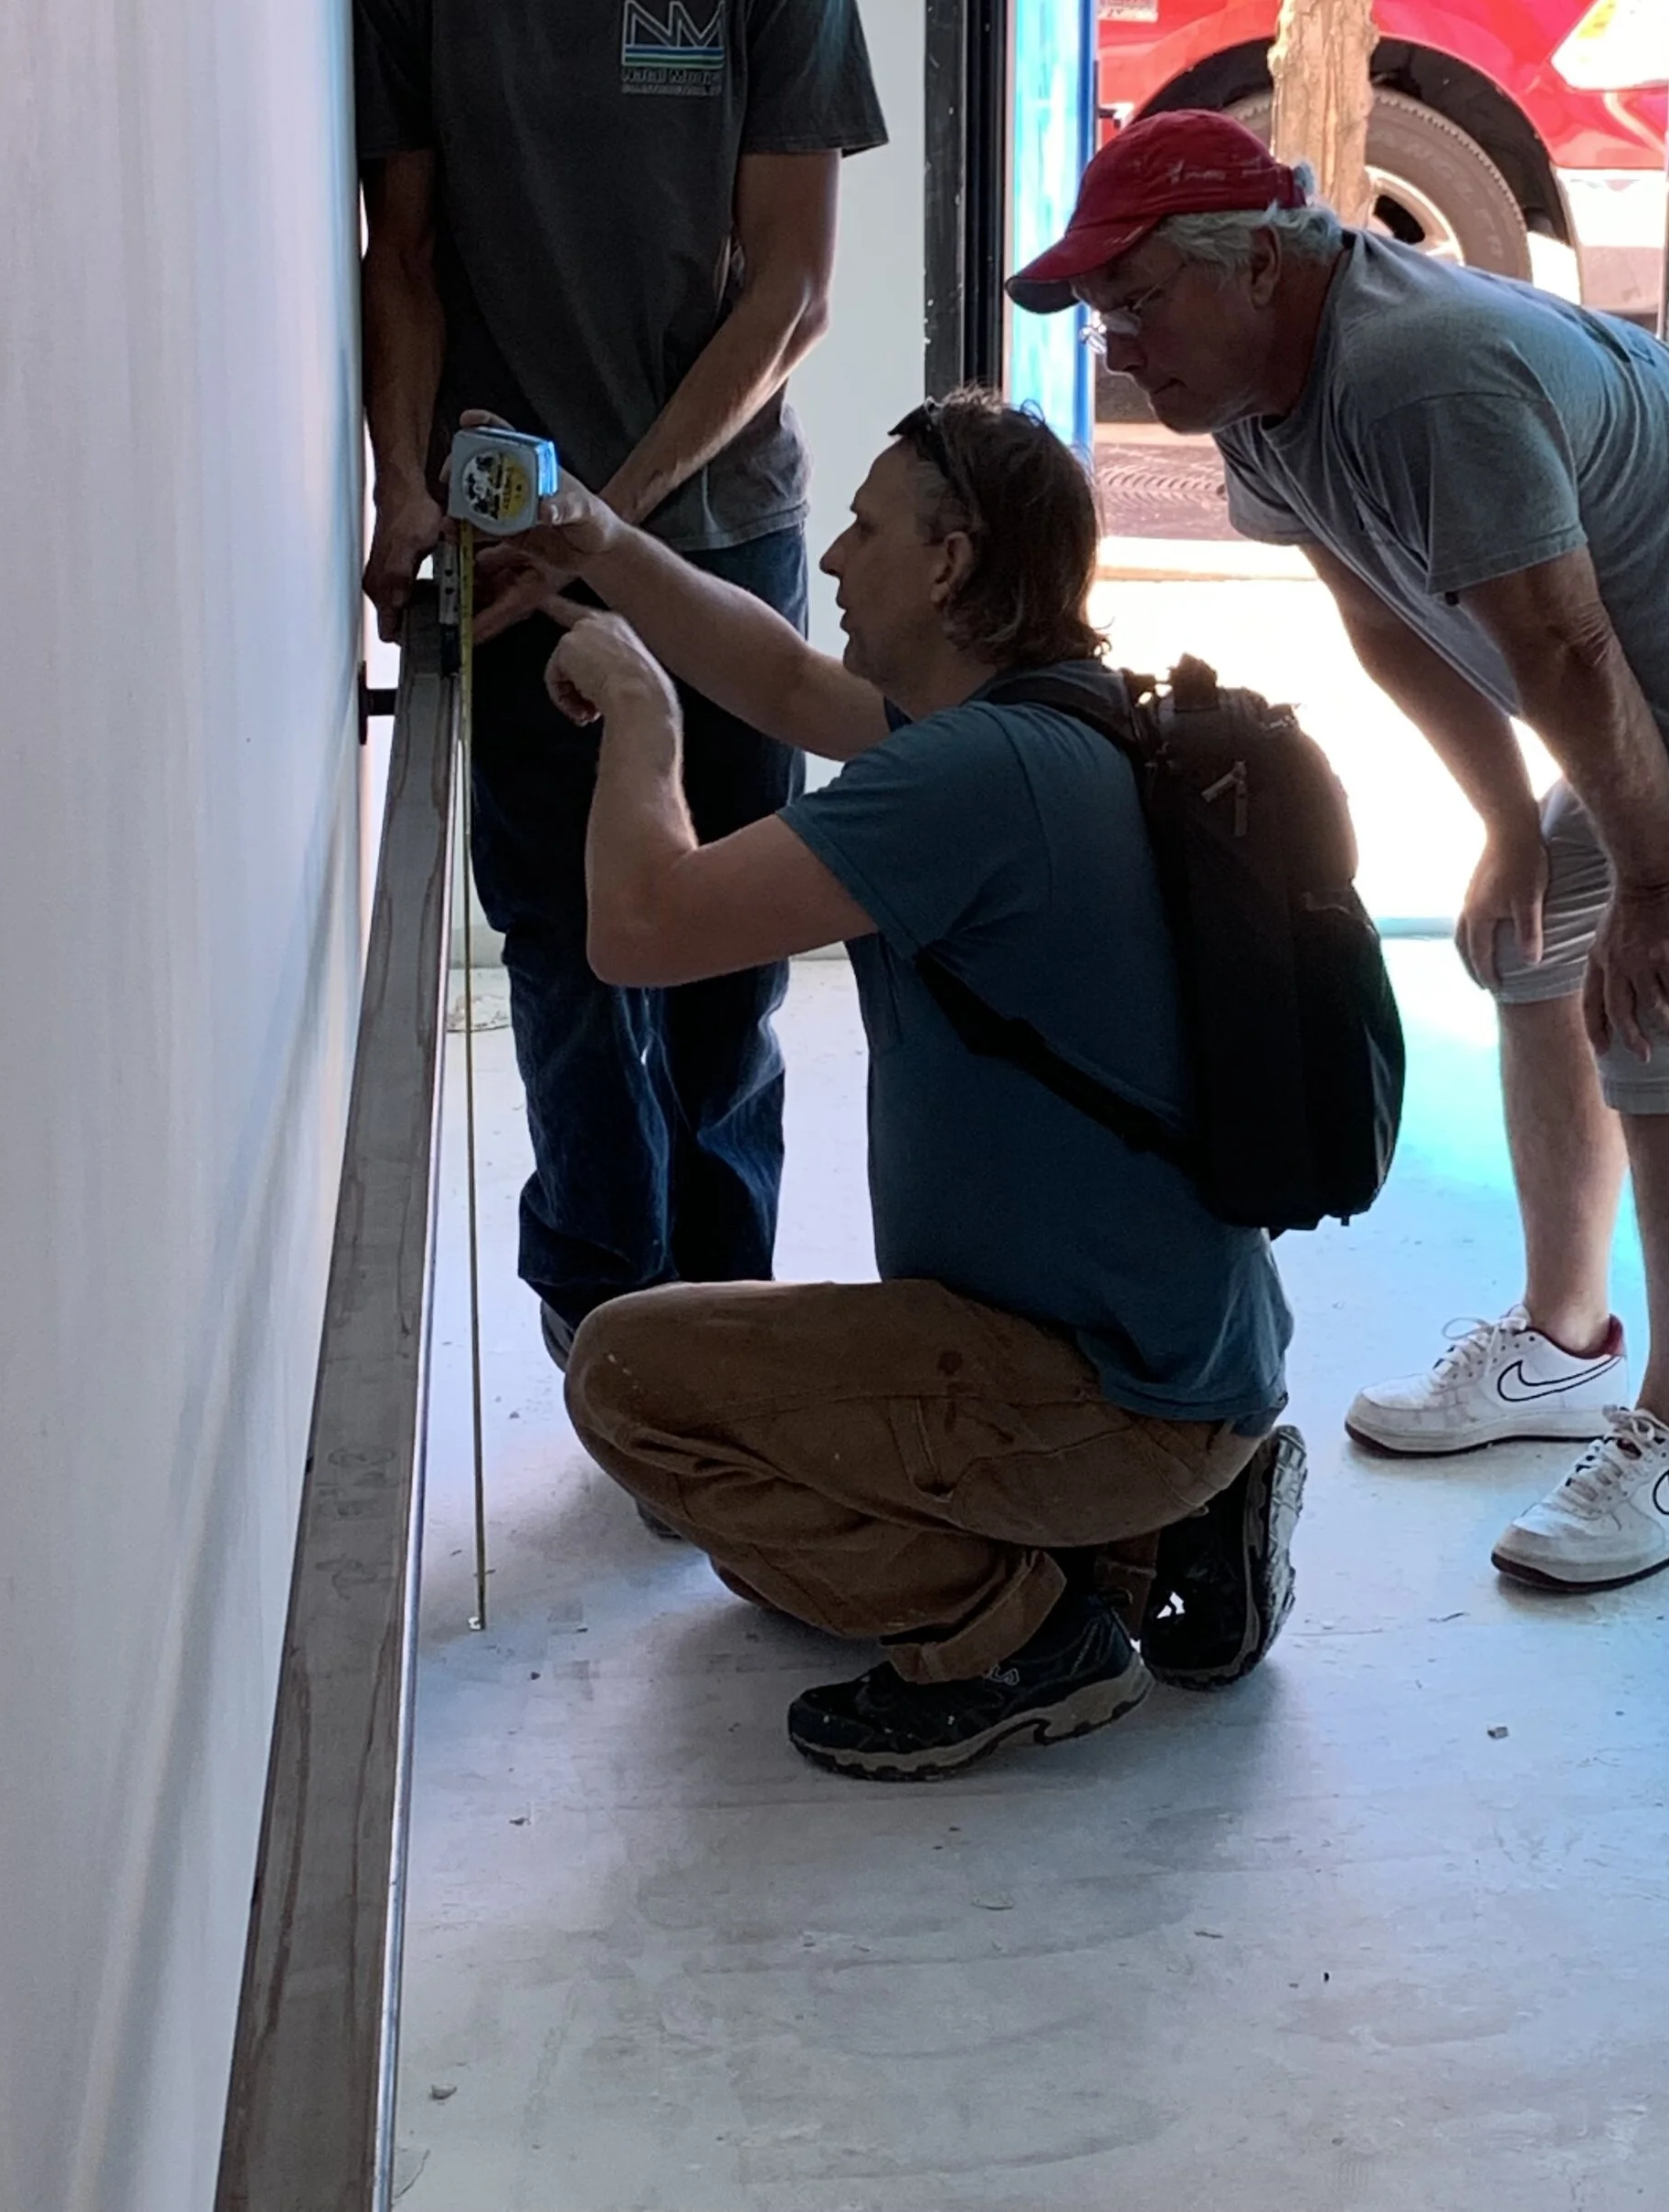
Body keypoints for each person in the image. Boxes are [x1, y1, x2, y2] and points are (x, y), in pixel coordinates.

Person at [1009, 110, 1669, 1593]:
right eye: (1099, 316)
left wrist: (1651, 886)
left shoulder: (1424, 375)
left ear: (1258, 264)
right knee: (1533, 950)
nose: (1120, 348)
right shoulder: (1257, 402)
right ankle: (1563, 1343)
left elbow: (1564, 645)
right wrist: (1513, 830)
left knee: (1665, 1024)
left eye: (1137, 301)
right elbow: (1387, 618)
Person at [506, 390, 1303, 1780]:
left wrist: (638, 711)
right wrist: (604, 543)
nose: (829, 558)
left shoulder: (969, 778)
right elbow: (785, 685)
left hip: (1108, 1388)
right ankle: (1165, 1540)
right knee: (772, 1543)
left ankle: (1018, 1639)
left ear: (950, 564)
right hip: (1171, 1361)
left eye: (865, 530)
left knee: (633, 1380)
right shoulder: (1059, 720)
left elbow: (640, 929)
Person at [353, 0, 887, 1361]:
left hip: (716, 535)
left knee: (729, 953)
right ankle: (608, 1318)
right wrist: (403, 489)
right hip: (506, 562)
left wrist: (617, 518)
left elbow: (789, 294)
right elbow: (404, 263)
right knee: (570, 949)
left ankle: (722, 1322)